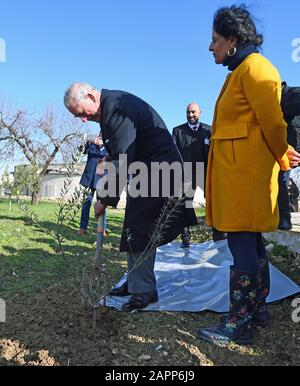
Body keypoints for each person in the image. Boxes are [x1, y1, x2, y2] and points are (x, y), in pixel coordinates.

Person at [197, 5, 300, 345]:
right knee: (251, 246)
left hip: (247, 180)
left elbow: (273, 123)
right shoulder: (240, 72)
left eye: (215, 40)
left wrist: (283, 157)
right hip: (239, 177)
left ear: (233, 40)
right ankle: (256, 310)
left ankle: (238, 323)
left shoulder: (257, 69)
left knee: (243, 245)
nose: (211, 47)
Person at [64, 82, 197, 312]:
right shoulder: (109, 108)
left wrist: (104, 199)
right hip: (148, 172)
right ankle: (136, 282)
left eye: (82, 113)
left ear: (90, 97)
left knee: (141, 228)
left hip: (161, 172)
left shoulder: (116, 108)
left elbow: (122, 159)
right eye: (79, 117)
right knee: (133, 227)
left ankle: (144, 290)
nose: (83, 120)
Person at [172, 103, 226, 247]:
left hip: (207, 171)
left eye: (193, 112)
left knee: (213, 201)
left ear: (200, 113)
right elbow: (173, 153)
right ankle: (185, 237)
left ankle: (218, 234)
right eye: (188, 112)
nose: (191, 115)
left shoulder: (209, 130)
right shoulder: (178, 131)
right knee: (185, 203)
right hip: (187, 173)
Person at [277, 81, 300, 229]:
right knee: (280, 180)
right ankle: (284, 219)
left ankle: (284, 218)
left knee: (280, 180)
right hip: (286, 149)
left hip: (291, 148)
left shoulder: (285, 95)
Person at [78, 136, 107, 235]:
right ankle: (82, 228)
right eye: (99, 137)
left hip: (101, 181)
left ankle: (102, 228)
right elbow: (81, 150)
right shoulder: (91, 145)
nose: (100, 139)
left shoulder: (109, 148)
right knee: (86, 204)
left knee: (102, 205)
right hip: (89, 180)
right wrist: (89, 140)